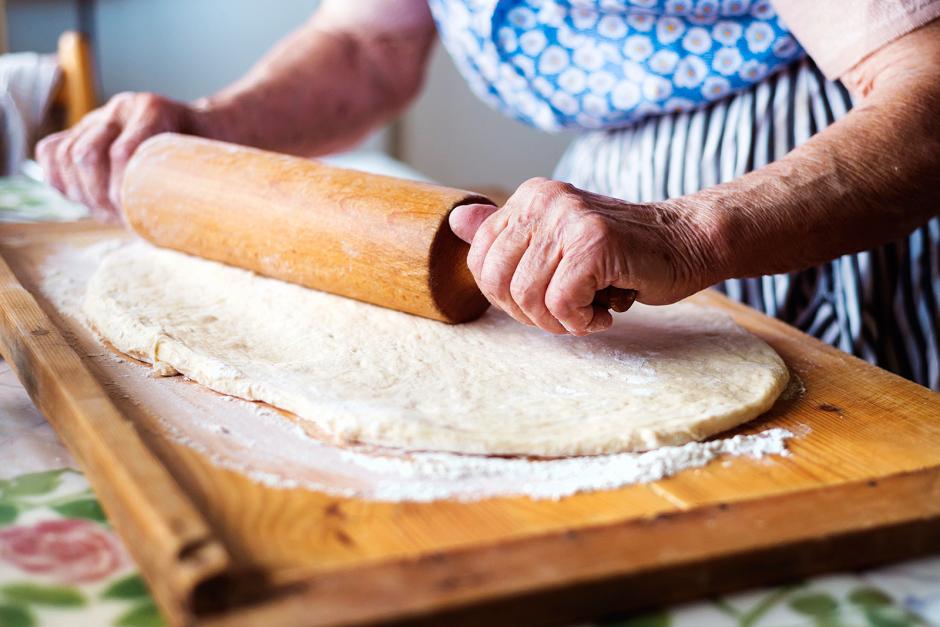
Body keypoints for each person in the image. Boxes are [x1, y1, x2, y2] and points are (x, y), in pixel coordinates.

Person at [37, 1, 940, 390]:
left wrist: (685, 231)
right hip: (613, 206)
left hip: (819, 207)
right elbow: (366, 46)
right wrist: (209, 124)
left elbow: (924, 90)